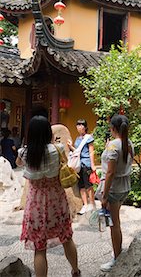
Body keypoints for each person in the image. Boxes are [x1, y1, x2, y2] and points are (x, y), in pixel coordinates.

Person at [16, 115, 80, 277]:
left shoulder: (25, 152)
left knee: (39, 248)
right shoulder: (57, 150)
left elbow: (18, 163)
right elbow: (65, 163)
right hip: (56, 202)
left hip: (35, 205)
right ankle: (75, 270)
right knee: (67, 239)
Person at [97, 114, 134, 272]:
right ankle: (117, 251)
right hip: (124, 186)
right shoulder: (128, 143)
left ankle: (117, 258)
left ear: (113, 128)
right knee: (116, 222)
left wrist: (104, 196)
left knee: (114, 225)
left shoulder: (113, 145)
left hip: (113, 189)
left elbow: (110, 172)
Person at [67, 119, 96, 214]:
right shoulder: (77, 139)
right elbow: (77, 151)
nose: (79, 127)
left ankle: (92, 204)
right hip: (78, 164)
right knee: (81, 185)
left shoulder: (89, 138)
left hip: (86, 163)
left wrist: (92, 165)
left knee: (88, 185)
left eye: (81, 125)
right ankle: (85, 204)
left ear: (85, 127)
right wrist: (71, 147)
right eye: (78, 125)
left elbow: (91, 151)